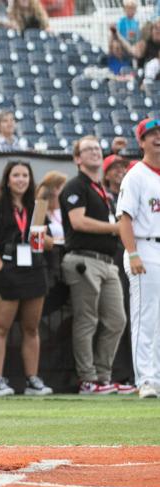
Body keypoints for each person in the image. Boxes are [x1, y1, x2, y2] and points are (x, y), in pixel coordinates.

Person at [59, 136, 129, 395]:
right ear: (77, 158)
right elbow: (78, 222)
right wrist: (115, 228)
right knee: (87, 320)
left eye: (97, 149)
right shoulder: (75, 186)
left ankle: (103, 375)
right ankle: (87, 379)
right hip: (84, 259)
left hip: (108, 262)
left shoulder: (101, 189)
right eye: (87, 149)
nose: (94, 153)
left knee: (116, 320)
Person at [0, 160, 54, 397]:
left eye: (25, 175)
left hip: (34, 271)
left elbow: (48, 243)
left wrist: (41, 236)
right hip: (7, 273)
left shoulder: (38, 207)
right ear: (7, 180)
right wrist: (1, 268)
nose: (21, 179)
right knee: (1, 327)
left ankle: (32, 380)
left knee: (32, 328)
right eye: (16, 175)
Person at [116, 118, 160, 399]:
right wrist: (132, 253)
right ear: (141, 141)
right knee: (146, 316)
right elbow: (124, 218)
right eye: (152, 134)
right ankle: (145, 378)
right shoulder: (136, 175)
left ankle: (155, 375)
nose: (158, 138)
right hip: (143, 247)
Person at [36, 171, 67, 243]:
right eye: (64, 186)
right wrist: (55, 240)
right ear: (55, 189)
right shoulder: (40, 210)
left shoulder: (66, 209)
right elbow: (36, 236)